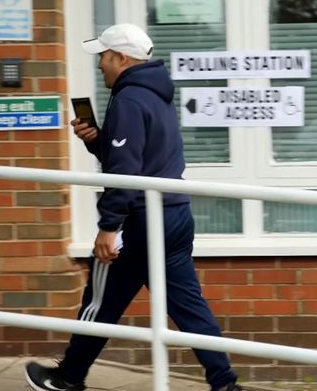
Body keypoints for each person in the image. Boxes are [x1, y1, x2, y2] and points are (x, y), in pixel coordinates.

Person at [24, 23, 241, 391]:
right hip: (172, 214)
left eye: (104, 57)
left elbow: (125, 170)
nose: (99, 66)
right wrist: (97, 142)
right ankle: (225, 383)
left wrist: (110, 226)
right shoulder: (156, 94)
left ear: (122, 58)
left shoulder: (128, 99)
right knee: (189, 307)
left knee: (99, 302)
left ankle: (68, 377)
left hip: (137, 221)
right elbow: (137, 157)